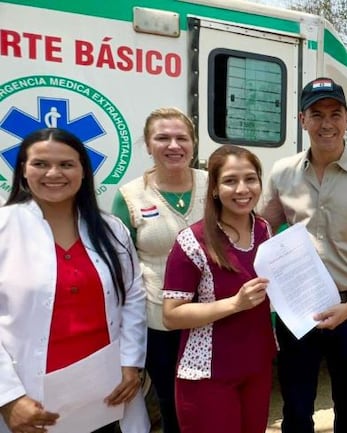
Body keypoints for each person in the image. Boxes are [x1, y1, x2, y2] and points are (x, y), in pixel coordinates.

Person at [257, 77, 347, 433]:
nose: (326, 123)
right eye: (316, 114)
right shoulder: (283, 173)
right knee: (296, 408)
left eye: (335, 113)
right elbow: (260, 232)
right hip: (297, 311)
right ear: (302, 120)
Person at [0, 128, 148, 433]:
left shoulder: (110, 228)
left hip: (105, 394)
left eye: (67, 164)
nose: (54, 173)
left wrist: (131, 364)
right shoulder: (5, 227)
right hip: (29, 398)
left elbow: (133, 295)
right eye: (40, 164)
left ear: (83, 171)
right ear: (23, 172)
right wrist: (8, 398)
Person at [162, 145, 276, 433]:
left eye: (251, 179)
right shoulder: (192, 241)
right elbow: (171, 315)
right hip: (208, 374)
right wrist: (235, 303)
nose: (242, 189)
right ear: (214, 188)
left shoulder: (264, 229)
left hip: (257, 366)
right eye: (230, 181)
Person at [112, 107, 207, 433]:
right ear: (148, 144)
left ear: (193, 143)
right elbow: (120, 267)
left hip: (213, 316)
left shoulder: (214, 186)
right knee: (173, 402)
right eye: (162, 138)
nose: (173, 145)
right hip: (159, 320)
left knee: (211, 400)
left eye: (182, 138)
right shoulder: (130, 196)